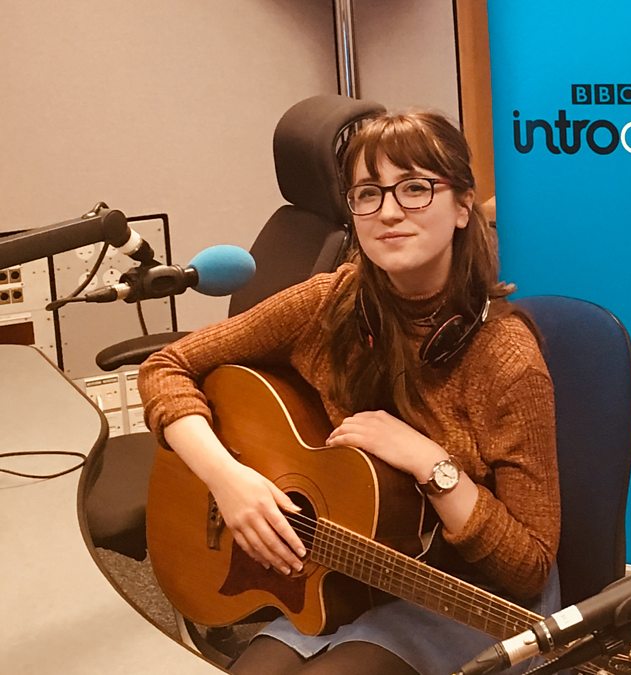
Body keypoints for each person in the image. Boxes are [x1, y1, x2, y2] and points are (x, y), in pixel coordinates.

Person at [139, 109, 560, 675]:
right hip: (350, 575)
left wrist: (431, 464)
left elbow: (528, 569)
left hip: (468, 597)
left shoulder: (507, 360)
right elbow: (166, 365)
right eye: (368, 193)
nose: (388, 211)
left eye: (415, 188)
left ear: (463, 207)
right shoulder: (327, 302)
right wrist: (229, 481)